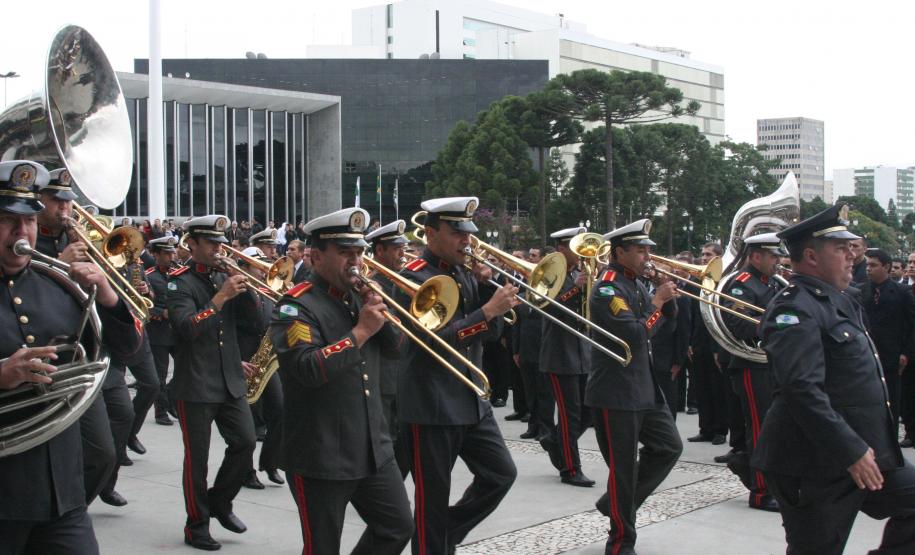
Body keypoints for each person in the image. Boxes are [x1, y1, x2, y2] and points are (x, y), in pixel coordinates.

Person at [754, 203, 915, 554]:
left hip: (867, 454)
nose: (852, 256)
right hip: (815, 462)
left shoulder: (840, 299)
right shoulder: (794, 308)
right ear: (811, 256)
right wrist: (852, 449)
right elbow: (801, 389)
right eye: (841, 249)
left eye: (851, 248)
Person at [0, 160, 141, 555]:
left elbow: (131, 350)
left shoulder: (58, 283)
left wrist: (109, 297)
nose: (21, 232)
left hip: (62, 491)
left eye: (27, 220)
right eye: (8, 220)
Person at [270, 207, 413, 554]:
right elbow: (306, 368)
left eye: (359, 252)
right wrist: (361, 331)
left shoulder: (359, 296)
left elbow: (395, 350)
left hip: (371, 446)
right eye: (345, 253)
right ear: (316, 257)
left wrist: (384, 314)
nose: (356, 261)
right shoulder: (295, 306)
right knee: (323, 547)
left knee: (396, 528)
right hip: (320, 452)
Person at [397, 196, 519, 554]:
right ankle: (432, 541)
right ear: (431, 233)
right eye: (457, 232)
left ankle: (441, 533)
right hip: (430, 402)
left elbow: (492, 337)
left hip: (470, 397)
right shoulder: (413, 276)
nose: (466, 240)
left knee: (501, 475)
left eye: (468, 232)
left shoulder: (463, 272)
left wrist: (488, 296)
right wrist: (485, 311)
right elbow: (429, 344)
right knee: (433, 496)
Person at [167, 214, 265, 550]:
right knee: (197, 460)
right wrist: (220, 297)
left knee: (246, 442)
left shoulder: (224, 278)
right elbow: (186, 328)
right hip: (195, 383)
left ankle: (219, 502)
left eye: (221, 242)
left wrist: (247, 288)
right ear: (191, 244)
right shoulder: (178, 282)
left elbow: (255, 324)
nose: (218, 249)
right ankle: (196, 525)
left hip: (228, 378)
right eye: (210, 243)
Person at [587, 218, 683, 555]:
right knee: (623, 470)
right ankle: (620, 542)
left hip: (644, 387)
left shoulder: (638, 284)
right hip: (616, 391)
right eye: (640, 250)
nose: (647, 256)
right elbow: (636, 334)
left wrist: (666, 296)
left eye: (648, 250)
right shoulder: (608, 288)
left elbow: (666, 323)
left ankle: (614, 501)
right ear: (619, 252)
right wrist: (657, 303)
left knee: (670, 447)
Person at [35, 168, 116, 507]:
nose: (64, 209)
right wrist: (58, 263)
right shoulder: (28, 243)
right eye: (56, 200)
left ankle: (71, 509)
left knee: (103, 455)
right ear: (38, 201)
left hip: (80, 358)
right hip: (39, 358)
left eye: (68, 201)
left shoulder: (77, 239)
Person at [716, 232, 786, 512]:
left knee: (776, 427)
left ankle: (747, 463)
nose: (778, 261)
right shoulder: (740, 285)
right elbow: (739, 325)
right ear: (755, 256)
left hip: (773, 362)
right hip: (750, 365)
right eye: (773, 256)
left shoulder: (773, 283)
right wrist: (779, 322)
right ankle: (760, 491)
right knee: (759, 428)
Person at [538, 226, 595, 487]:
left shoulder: (580, 272)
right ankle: (570, 469)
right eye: (575, 247)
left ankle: (553, 440)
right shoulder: (550, 272)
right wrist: (576, 289)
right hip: (559, 354)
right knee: (570, 415)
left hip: (582, 352)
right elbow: (546, 306)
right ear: (561, 249)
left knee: (588, 412)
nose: (581, 253)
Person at [234, 247, 285, 490]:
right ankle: (246, 471)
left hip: (265, 359)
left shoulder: (265, 289)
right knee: (248, 424)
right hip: (244, 359)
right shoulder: (236, 291)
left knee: (280, 410)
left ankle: (271, 461)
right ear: (244, 267)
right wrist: (235, 360)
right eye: (258, 265)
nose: (264, 269)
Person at [364, 219, 409, 470]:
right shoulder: (371, 283)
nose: (402, 253)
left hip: (405, 370)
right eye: (396, 248)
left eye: (403, 247)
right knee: (387, 435)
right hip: (384, 370)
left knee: (402, 437)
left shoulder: (404, 278)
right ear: (379, 251)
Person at [862, 248, 915, 441]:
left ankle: (891, 443)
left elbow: (912, 326)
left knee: (891, 402)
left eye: (873, 265)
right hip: (867, 356)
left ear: (886, 267)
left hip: (892, 358)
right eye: (867, 265)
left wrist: (906, 353)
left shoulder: (902, 292)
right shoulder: (861, 290)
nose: (869, 269)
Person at [146, 236, 178, 426]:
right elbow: (143, 305)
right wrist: (161, 312)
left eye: (172, 252)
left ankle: (171, 399)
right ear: (155, 254)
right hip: (159, 331)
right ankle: (161, 411)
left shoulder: (178, 273)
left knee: (184, 367)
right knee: (160, 373)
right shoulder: (149, 276)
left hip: (178, 330)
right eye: (166, 253)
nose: (171, 256)